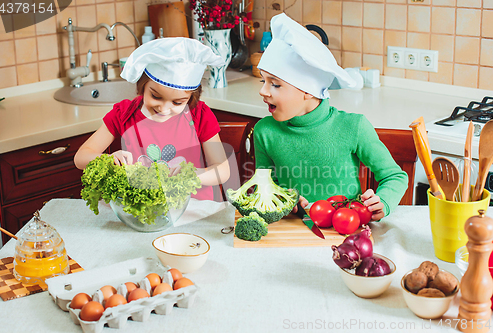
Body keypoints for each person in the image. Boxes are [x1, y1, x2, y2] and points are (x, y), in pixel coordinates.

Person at [255, 13, 408, 221]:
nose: (263, 91)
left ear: (308, 90)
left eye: (275, 84)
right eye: (262, 81)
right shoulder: (265, 131)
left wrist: (383, 202)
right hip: (292, 228)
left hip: (346, 228)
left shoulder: (353, 126)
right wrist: (283, 199)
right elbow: (264, 185)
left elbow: (395, 177)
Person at [74, 38, 230, 200]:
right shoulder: (124, 113)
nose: (163, 108)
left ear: (191, 98)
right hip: (144, 213)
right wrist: (108, 159)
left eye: (177, 102)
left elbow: (223, 170)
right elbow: (81, 157)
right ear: (142, 85)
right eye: (155, 96)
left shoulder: (199, 114)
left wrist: (195, 175)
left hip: (195, 210)